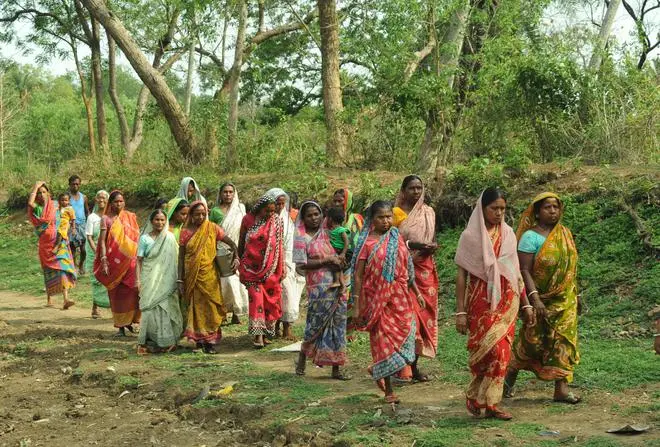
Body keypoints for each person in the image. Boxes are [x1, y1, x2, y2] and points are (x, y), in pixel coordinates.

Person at [454, 188, 535, 420]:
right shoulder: (470, 237)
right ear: (483, 208)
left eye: (502, 208)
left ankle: (491, 403)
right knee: (486, 351)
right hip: (481, 302)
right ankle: (474, 394)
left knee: (502, 351)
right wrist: (460, 311)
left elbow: (515, 272)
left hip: (508, 301)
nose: (499, 213)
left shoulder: (509, 234)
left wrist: (526, 304)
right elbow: (462, 276)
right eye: (494, 208)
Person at [504, 192, 581, 404]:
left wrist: (577, 294)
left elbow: (570, 270)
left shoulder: (564, 234)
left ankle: (561, 389)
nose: (553, 211)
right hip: (538, 299)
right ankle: (509, 378)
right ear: (537, 212)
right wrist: (534, 298)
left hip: (565, 300)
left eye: (556, 207)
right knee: (530, 341)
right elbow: (524, 270)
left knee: (564, 341)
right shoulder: (530, 237)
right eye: (547, 207)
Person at [351, 201, 422, 404]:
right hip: (377, 300)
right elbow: (358, 276)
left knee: (408, 335)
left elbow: (407, 267)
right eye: (381, 217)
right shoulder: (366, 243)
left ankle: (377, 369)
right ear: (372, 219)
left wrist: (416, 292)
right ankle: (389, 389)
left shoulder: (396, 237)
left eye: (389, 216)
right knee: (383, 343)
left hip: (400, 298)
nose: (386, 221)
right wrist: (356, 304)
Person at [293, 201, 350, 380]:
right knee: (315, 324)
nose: (314, 218)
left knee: (338, 325)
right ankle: (302, 358)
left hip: (338, 286)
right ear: (303, 218)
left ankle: (336, 369)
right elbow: (301, 265)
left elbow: (343, 249)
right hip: (318, 289)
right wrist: (326, 261)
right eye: (309, 215)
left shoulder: (329, 233)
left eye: (316, 214)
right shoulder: (301, 237)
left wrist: (341, 260)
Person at [392, 175, 438, 383]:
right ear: (403, 190)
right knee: (406, 319)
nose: (416, 192)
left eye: (419, 188)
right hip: (401, 271)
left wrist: (430, 247)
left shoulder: (428, 212)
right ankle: (401, 367)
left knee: (422, 318)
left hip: (425, 270)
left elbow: (429, 237)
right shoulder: (394, 214)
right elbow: (392, 242)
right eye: (412, 188)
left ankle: (414, 366)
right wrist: (413, 246)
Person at [178, 201, 238, 354]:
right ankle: (198, 340)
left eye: (203, 214)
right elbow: (181, 257)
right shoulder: (185, 232)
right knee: (196, 308)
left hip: (210, 276)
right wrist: (180, 279)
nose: (200, 217)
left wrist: (236, 257)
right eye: (197, 214)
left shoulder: (212, 228)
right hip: (192, 276)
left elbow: (231, 243)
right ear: (191, 215)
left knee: (212, 307)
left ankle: (210, 341)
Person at [238, 194, 285, 348]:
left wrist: (281, 267)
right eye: (267, 211)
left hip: (270, 270)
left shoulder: (277, 222)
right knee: (256, 300)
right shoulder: (248, 220)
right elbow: (241, 242)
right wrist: (239, 261)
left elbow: (279, 246)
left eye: (273, 211)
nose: (270, 214)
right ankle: (257, 336)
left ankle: (265, 334)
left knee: (268, 301)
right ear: (259, 209)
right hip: (250, 268)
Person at [135, 209, 183, 355]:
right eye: (157, 220)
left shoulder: (169, 238)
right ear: (151, 221)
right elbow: (139, 261)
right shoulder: (144, 239)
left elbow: (175, 259)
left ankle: (167, 342)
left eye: (162, 220)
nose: (160, 223)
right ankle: (147, 341)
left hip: (167, 279)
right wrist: (138, 280)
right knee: (149, 309)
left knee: (165, 307)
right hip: (149, 278)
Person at [94, 190, 141, 337]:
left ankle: (130, 322)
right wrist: (103, 260)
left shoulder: (131, 217)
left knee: (134, 291)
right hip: (113, 262)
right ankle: (120, 326)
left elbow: (136, 238)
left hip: (131, 261)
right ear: (111, 203)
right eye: (116, 201)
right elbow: (102, 240)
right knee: (117, 294)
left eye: (121, 201)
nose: (119, 204)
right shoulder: (106, 219)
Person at [27, 181, 77, 310]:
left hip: (59, 243)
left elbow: (66, 215)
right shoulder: (37, 208)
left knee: (62, 268)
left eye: (44, 192)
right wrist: (36, 186)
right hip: (45, 244)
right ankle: (49, 298)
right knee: (48, 270)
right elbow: (29, 203)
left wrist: (69, 230)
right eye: (39, 193)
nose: (42, 195)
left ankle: (66, 299)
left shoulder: (55, 205)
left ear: (48, 193)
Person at [266, 188, 306, 340]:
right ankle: (274, 327)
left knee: (288, 294)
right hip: (271, 261)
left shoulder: (290, 218)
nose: (280, 206)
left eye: (283, 203)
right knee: (274, 295)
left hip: (289, 261)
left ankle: (287, 328)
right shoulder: (266, 219)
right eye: (277, 203)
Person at [209, 182, 249, 324]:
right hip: (220, 249)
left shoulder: (240, 209)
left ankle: (237, 313)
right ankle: (223, 312)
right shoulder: (215, 211)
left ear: (234, 193)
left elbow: (245, 229)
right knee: (224, 281)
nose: (228, 194)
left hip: (238, 247)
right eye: (225, 192)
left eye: (230, 192)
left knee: (237, 280)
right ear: (220, 194)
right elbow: (212, 231)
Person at [85, 190, 110, 318]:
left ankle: (114, 308)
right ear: (96, 200)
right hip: (94, 254)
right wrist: (98, 252)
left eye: (104, 198)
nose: (101, 201)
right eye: (99, 198)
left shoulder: (110, 217)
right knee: (97, 281)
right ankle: (95, 308)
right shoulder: (92, 217)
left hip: (108, 253)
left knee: (110, 280)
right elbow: (89, 237)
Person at [68, 175, 89, 274]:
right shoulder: (66, 198)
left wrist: (89, 224)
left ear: (80, 184)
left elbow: (86, 211)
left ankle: (81, 265)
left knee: (84, 249)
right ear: (69, 185)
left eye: (77, 184)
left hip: (82, 225)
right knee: (72, 248)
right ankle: (74, 267)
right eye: (73, 184)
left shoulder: (83, 197)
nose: (75, 186)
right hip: (71, 225)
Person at [326, 207, 350, 289]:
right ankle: (343, 285)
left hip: (340, 252)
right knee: (339, 269)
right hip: (337, 251)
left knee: (335, 266)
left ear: (330, 219)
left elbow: (347, 242)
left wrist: (343, 253)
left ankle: (337, 281)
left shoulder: (341, 230)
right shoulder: (333, 230)